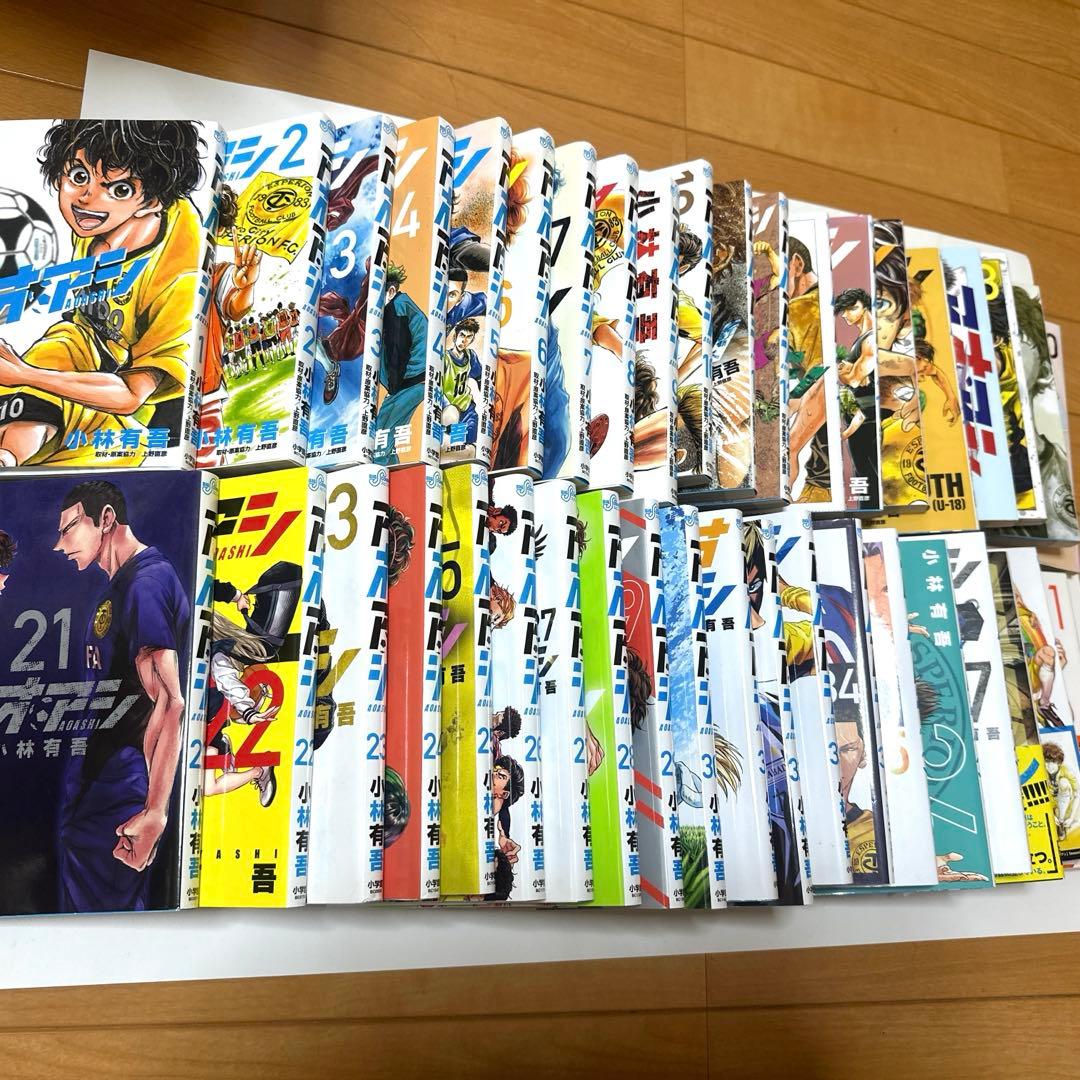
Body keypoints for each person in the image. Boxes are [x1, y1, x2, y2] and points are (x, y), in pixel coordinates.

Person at [0, 120, 206, 467]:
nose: (86, 197)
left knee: (40, 382)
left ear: (151, 201)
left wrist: (24, 374)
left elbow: (131, 395)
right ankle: (8, 454)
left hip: (145, 402)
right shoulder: (97, 221)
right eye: (79, 176)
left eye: (119, 189)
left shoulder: (178, 278)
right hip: (87, 343)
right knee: (49, 357)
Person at [53, 479, 190, 911]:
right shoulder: (123, 584)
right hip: (99, 787)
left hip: (120, 793)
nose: (59, 545)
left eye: (68, 528)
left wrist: (155, 811)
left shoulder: (146, 584)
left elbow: (170, 701)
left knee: (108, 918)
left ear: (106, 519)